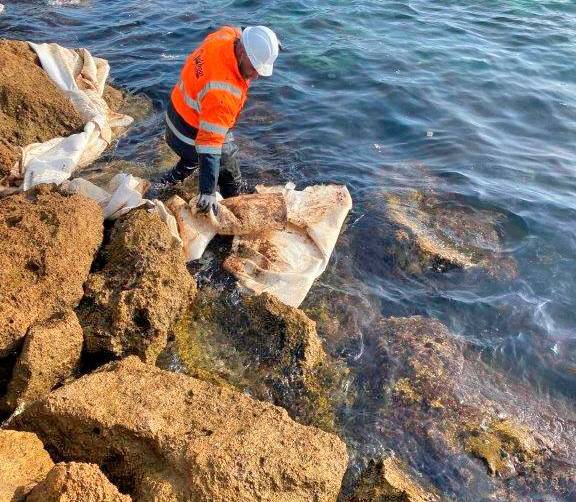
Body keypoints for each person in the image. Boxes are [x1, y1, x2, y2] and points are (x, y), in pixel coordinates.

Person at [161, 25, 280, 216]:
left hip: (173, 117)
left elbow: (236, 30)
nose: (256, 75)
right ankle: (235, 201)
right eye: (254, 66)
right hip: (187, 135)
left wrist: (268, 43)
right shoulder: (222, 93)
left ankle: (167, 183)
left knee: (192, 159)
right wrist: (207, 191)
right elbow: (209, 145)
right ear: (242, 51)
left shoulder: (223, 38)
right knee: (227, 157)